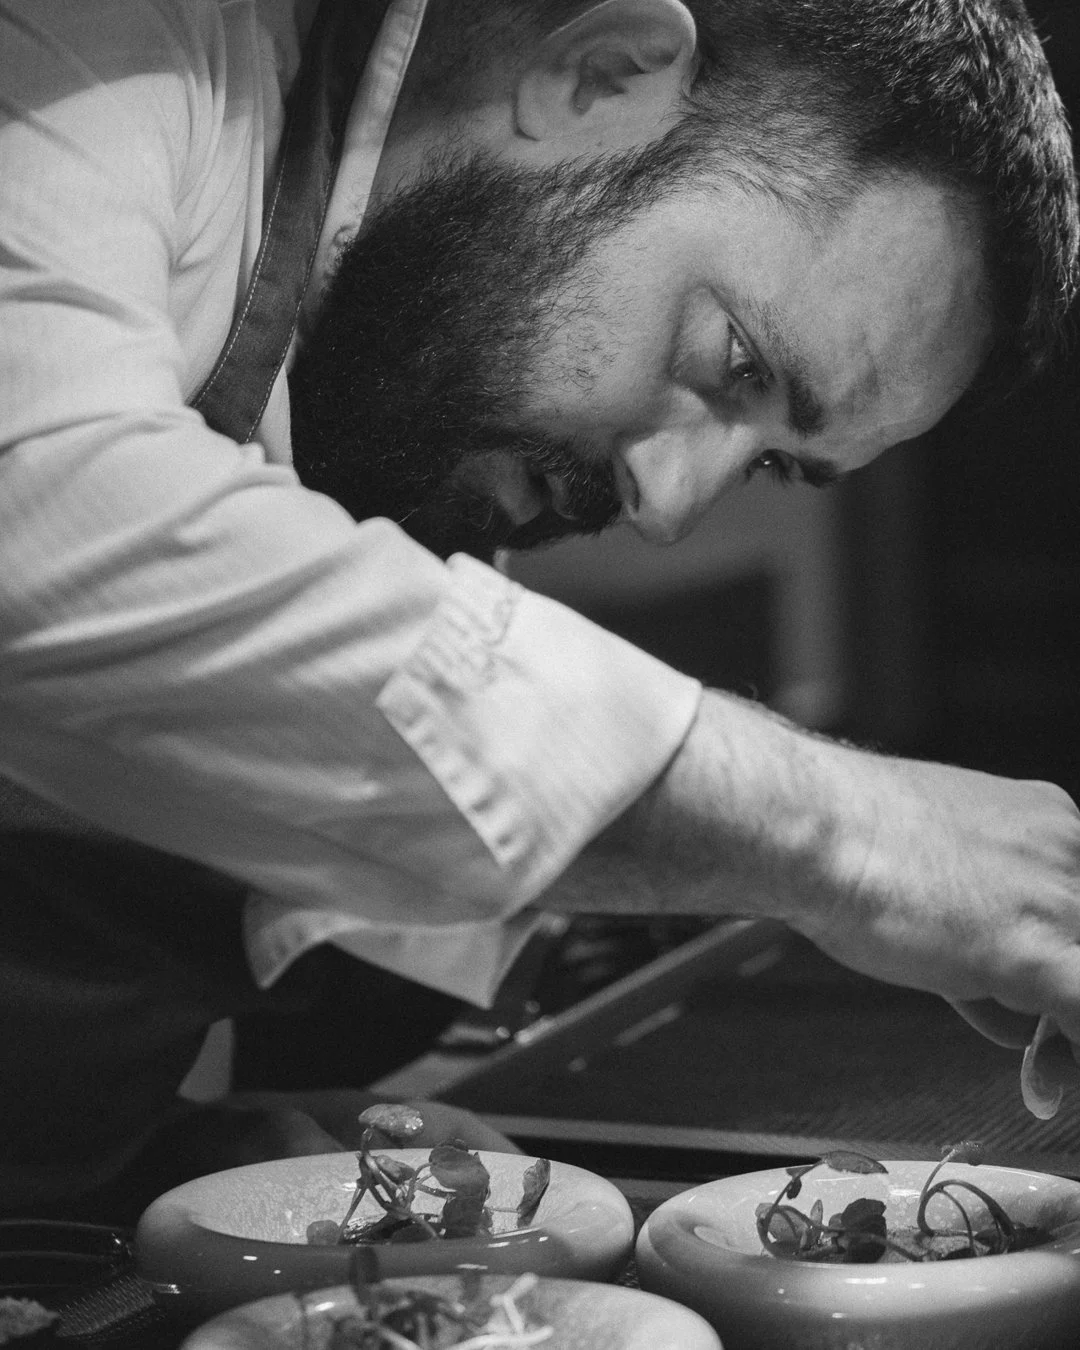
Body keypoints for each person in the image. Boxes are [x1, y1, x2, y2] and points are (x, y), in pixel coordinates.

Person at [1, 0, 1078, 1223]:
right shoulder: (103, 44)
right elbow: (42, 523)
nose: (668, 504)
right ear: (601, 71)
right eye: (736, 365)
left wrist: (158, 1149)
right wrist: (855, 835)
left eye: (772, 461)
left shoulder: (395, 427)